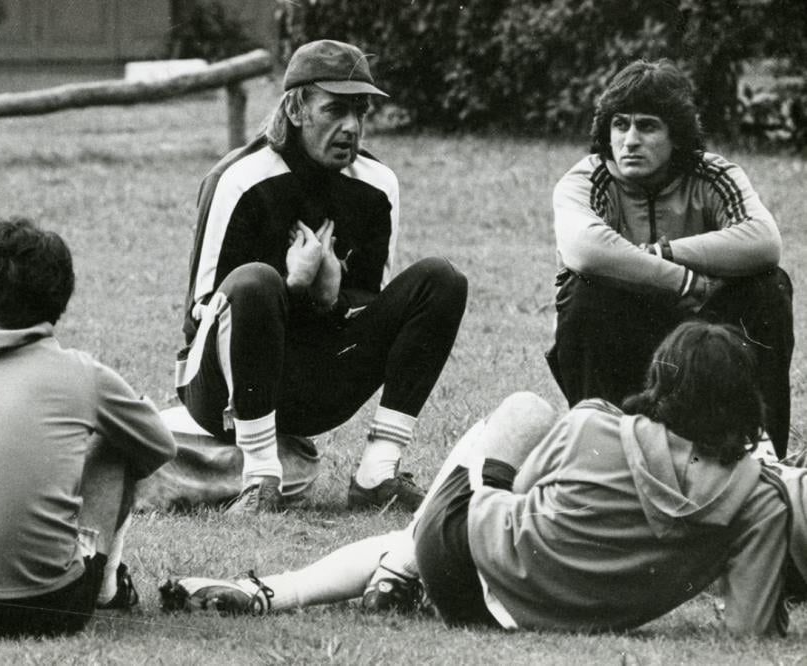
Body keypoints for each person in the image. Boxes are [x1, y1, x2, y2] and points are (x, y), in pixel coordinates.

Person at [162, 321, 794, 637]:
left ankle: (294, 588)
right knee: (442, 526)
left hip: (464, 563)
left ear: (661, 380)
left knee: (522, 410)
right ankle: (388, 569)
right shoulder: (760, 503)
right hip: (533, 620)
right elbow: (750, 628)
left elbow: (528, 490)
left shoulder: (597, 426)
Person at [176, 39, 468, 514]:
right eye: (335, 110)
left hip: (314, 386)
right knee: (255, 281)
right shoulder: (238, 179)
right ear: (295, 107)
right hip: (220, 392)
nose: (351, 127)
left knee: (442, 279)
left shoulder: (377, 186)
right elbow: (202, 310)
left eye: (361, 112)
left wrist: (331, 297)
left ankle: (378, 472)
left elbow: (372, 309)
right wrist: (289, 287)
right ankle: (260, 480)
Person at [0, 219, 177, 639]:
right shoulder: (81, 373)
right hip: (47, 607)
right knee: (118, 445)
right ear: (60, 299)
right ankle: (107, 584)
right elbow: (156, 445)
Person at [548, 58, 794, 458]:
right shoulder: (588, 178)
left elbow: (764, 241)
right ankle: (597, 461)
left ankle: (764, 461)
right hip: (622, 346)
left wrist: (666, 251)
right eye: (620, 124)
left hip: (702, 348)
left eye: (647, 126)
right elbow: (585, 249)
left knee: (769, 286)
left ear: (677, 135)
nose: (629, 140)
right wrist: (682, 280)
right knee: (582, 293)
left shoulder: (713, 175)